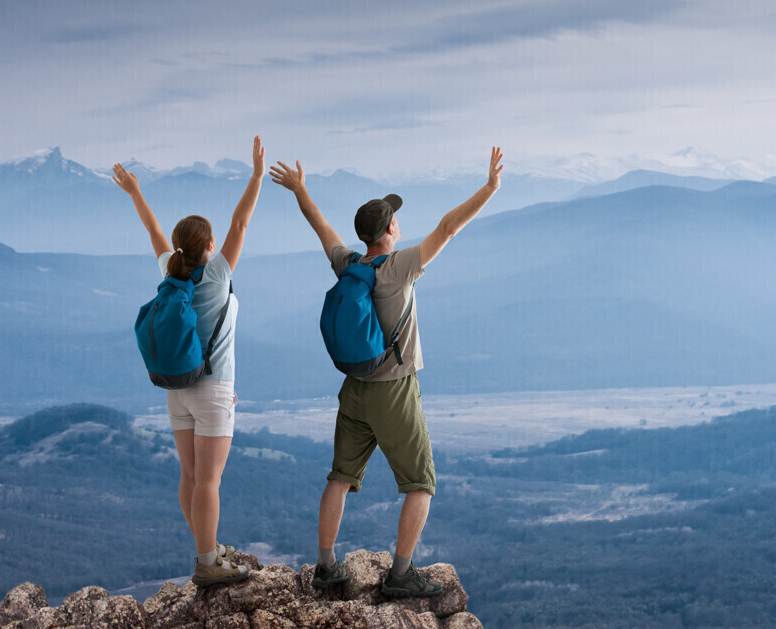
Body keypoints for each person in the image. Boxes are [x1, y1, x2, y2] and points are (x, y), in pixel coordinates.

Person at [270, 147, 504, 596]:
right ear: (392, 229)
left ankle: (325, 566)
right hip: (394, 391)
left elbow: (321, 227)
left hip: (354, 388)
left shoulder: (349, 264)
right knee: (420, 483)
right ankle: (400, 575)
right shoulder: (399, 268)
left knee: (339, 476)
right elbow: (449, 228)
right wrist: (490, 188)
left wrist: (301, 191)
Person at [112, 136, 266, 587]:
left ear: (181, 249)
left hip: (177, 392)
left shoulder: (170, 272)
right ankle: (207, 560)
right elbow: (241, 222)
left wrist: (136, 192)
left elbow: (153, 232)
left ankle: (205, 548)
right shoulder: (218, 273)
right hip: (215, 390)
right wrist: (256, 176)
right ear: (210, 247)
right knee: (210, 482)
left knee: (190, 476)